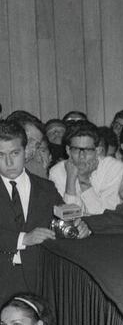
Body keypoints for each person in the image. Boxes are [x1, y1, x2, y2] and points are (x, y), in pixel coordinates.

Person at [0, 121, 90, 295]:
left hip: (40, 281)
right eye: (0, 155)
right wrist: (23, 239)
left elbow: (63, 221)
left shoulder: (46, 188)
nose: (9, 162)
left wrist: (79, 228)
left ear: (26, 152)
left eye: (15, 153)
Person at [49, 121, 123, 214]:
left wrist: (84, 181)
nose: (82, 156)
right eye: (76, 149)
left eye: (88, 150)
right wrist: (70, 180)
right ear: (68, 150)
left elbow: (106, 214)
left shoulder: (113, 167)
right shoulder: (56, 172)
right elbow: (68, 217)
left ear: (98, 151)